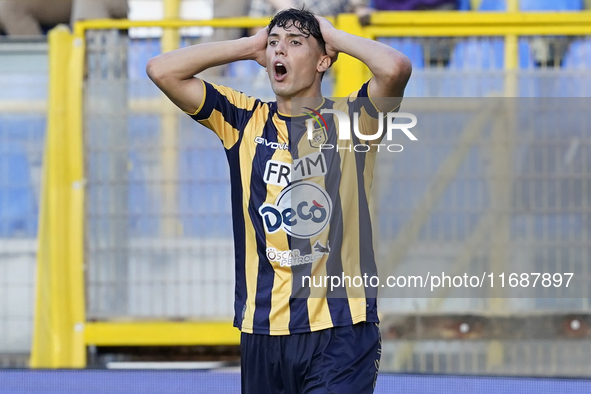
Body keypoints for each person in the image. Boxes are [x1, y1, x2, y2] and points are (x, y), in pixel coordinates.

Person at [147, 7, 411, 393]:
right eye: (274, 45)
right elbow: (161, 69)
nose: (279, 52)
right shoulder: (242, 119)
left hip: (341, 330)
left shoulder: (352, 121)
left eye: (294, 43)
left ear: (323, 60)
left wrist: (332, 36)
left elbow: (394, 68)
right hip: (262, 332)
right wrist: (251, 44)